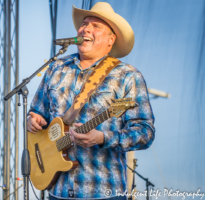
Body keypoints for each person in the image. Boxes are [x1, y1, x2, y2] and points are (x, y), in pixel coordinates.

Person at [27, 2, 155, 200]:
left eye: (96, 26)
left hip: (104, 191)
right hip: (58, 191)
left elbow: (145, 132)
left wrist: (102, 138)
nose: (86, 28)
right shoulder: (57, 67)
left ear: (111, 39)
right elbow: (37, 111)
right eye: (84, 24)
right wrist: (33, 119)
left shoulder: (127, 76)